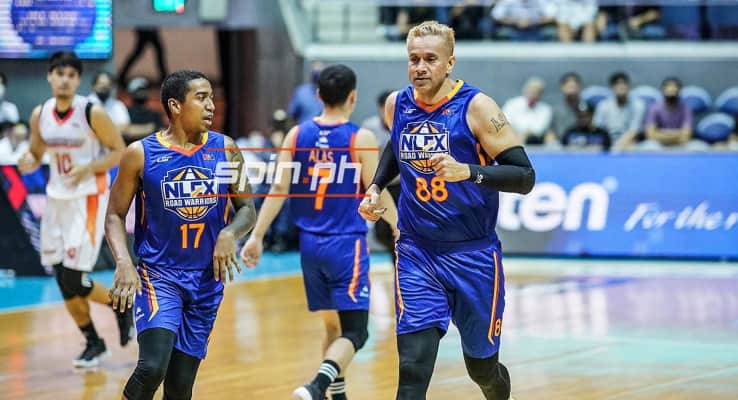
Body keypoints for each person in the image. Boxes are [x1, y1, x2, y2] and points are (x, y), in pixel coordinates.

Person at [359, 21, 535, 400]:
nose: (420, 67)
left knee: (483, 370)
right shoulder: (397, 104)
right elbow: (396, 146)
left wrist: (468, 171)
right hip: (417, 251)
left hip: (473, 254)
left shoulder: (478, 108)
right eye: (414, 59)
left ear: (450, 62)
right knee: (412, 370)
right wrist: (375, 186)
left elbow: (524, 177)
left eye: (430, 59)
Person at [240, 64, 398, 400]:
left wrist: (256, 236)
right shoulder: (360, 138)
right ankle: (317, 386)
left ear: (318, 96)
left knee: (332, 327)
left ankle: (336, 395)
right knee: (356, 333)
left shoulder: (296, 135)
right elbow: (377, 189)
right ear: (353, 97)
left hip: (310, 246)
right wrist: (399, 226)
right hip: (346, 245)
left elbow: (278, 188)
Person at [105, 70, 256, 400]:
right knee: (151, 368)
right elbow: (114, 215)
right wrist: (124, 262)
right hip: (160, 276)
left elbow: (247, 208)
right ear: (175, 105)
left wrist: (230, 233)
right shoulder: (140, 153)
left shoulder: (226, 148)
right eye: (201, 98)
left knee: (179, 388)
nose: (211, 105)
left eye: (211, 98)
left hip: (206, 281)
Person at [16, 51, 132, 368]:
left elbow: (119, 151)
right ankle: (93, 341)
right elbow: (36, 152)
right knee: (62, 279)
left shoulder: (91, 112)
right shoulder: (41, 114)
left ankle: (120, 304)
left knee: (74, 278)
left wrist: (88, 168)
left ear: (78, 80)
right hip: (56, 201)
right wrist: (28, 160)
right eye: (59, 73)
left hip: (87, 198)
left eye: (71, 75)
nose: (64, 80)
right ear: (50, 76)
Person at [593, 71, 645, 151]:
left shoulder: (638, 105)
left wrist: (618, 146)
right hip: (607, 144)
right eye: (617, 84)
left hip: (631, 144)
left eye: (624, 83)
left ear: (629, 86)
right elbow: (598, 128)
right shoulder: (603, 106)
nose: (621, 86)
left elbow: (635, 130)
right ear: (611, 87)